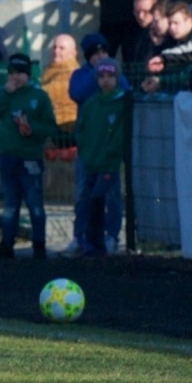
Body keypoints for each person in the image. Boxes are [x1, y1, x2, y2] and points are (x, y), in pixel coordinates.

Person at [0, 53, 57, 260]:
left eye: (20, 73)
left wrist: (31, 128)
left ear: (28, 74)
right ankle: (7, 245)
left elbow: (50, 127)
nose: (15, 77)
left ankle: (39, 246)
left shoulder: (38, 96)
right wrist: (5, 94)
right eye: (12, 73)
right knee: (9, 204)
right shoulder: (5, 93)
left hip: (30, 157)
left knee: (34, 203)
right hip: (7, 156)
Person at [65, 33, 128, 254]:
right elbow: (77, 94)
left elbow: (124, 90)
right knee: (83, 194)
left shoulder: (115, 80)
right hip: (88, 151)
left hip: (108, 154)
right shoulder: (82, 76)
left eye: (104, 52)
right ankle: (81, 235)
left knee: (110, 195)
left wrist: (108, 69)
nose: (100, 57)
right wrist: (96, 73)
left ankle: (111, 235)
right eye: (95, 54)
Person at [139, 1, 192, 93]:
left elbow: (189, 74)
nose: (172, 28)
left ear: (189, 22)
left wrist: (161, 81)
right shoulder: (175, 41)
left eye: (176, 23)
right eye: (170, 23)